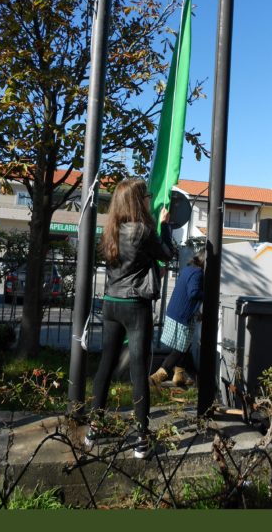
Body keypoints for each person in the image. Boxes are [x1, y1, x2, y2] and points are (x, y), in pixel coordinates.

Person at [87, 178, 176, 458]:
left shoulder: (110, 230)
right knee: (138, 372)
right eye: (145, 195)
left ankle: (93, 428)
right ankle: (141, 440)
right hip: (135, 306)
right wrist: (166, 224)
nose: (148, 199)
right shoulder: (143, 230)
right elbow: (167, 253)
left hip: (111, 303)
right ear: (138, 200)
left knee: (105, 366)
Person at [150, 255, 204, 388]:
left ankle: (179, 376)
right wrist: (211, 293)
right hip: (182, 315)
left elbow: (186, 293)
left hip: (175, 311)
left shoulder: (188, 269)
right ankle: (157, 377)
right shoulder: (198, 273)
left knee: (185, 347)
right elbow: (193, 293)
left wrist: (196, 310)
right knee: (180, 349)